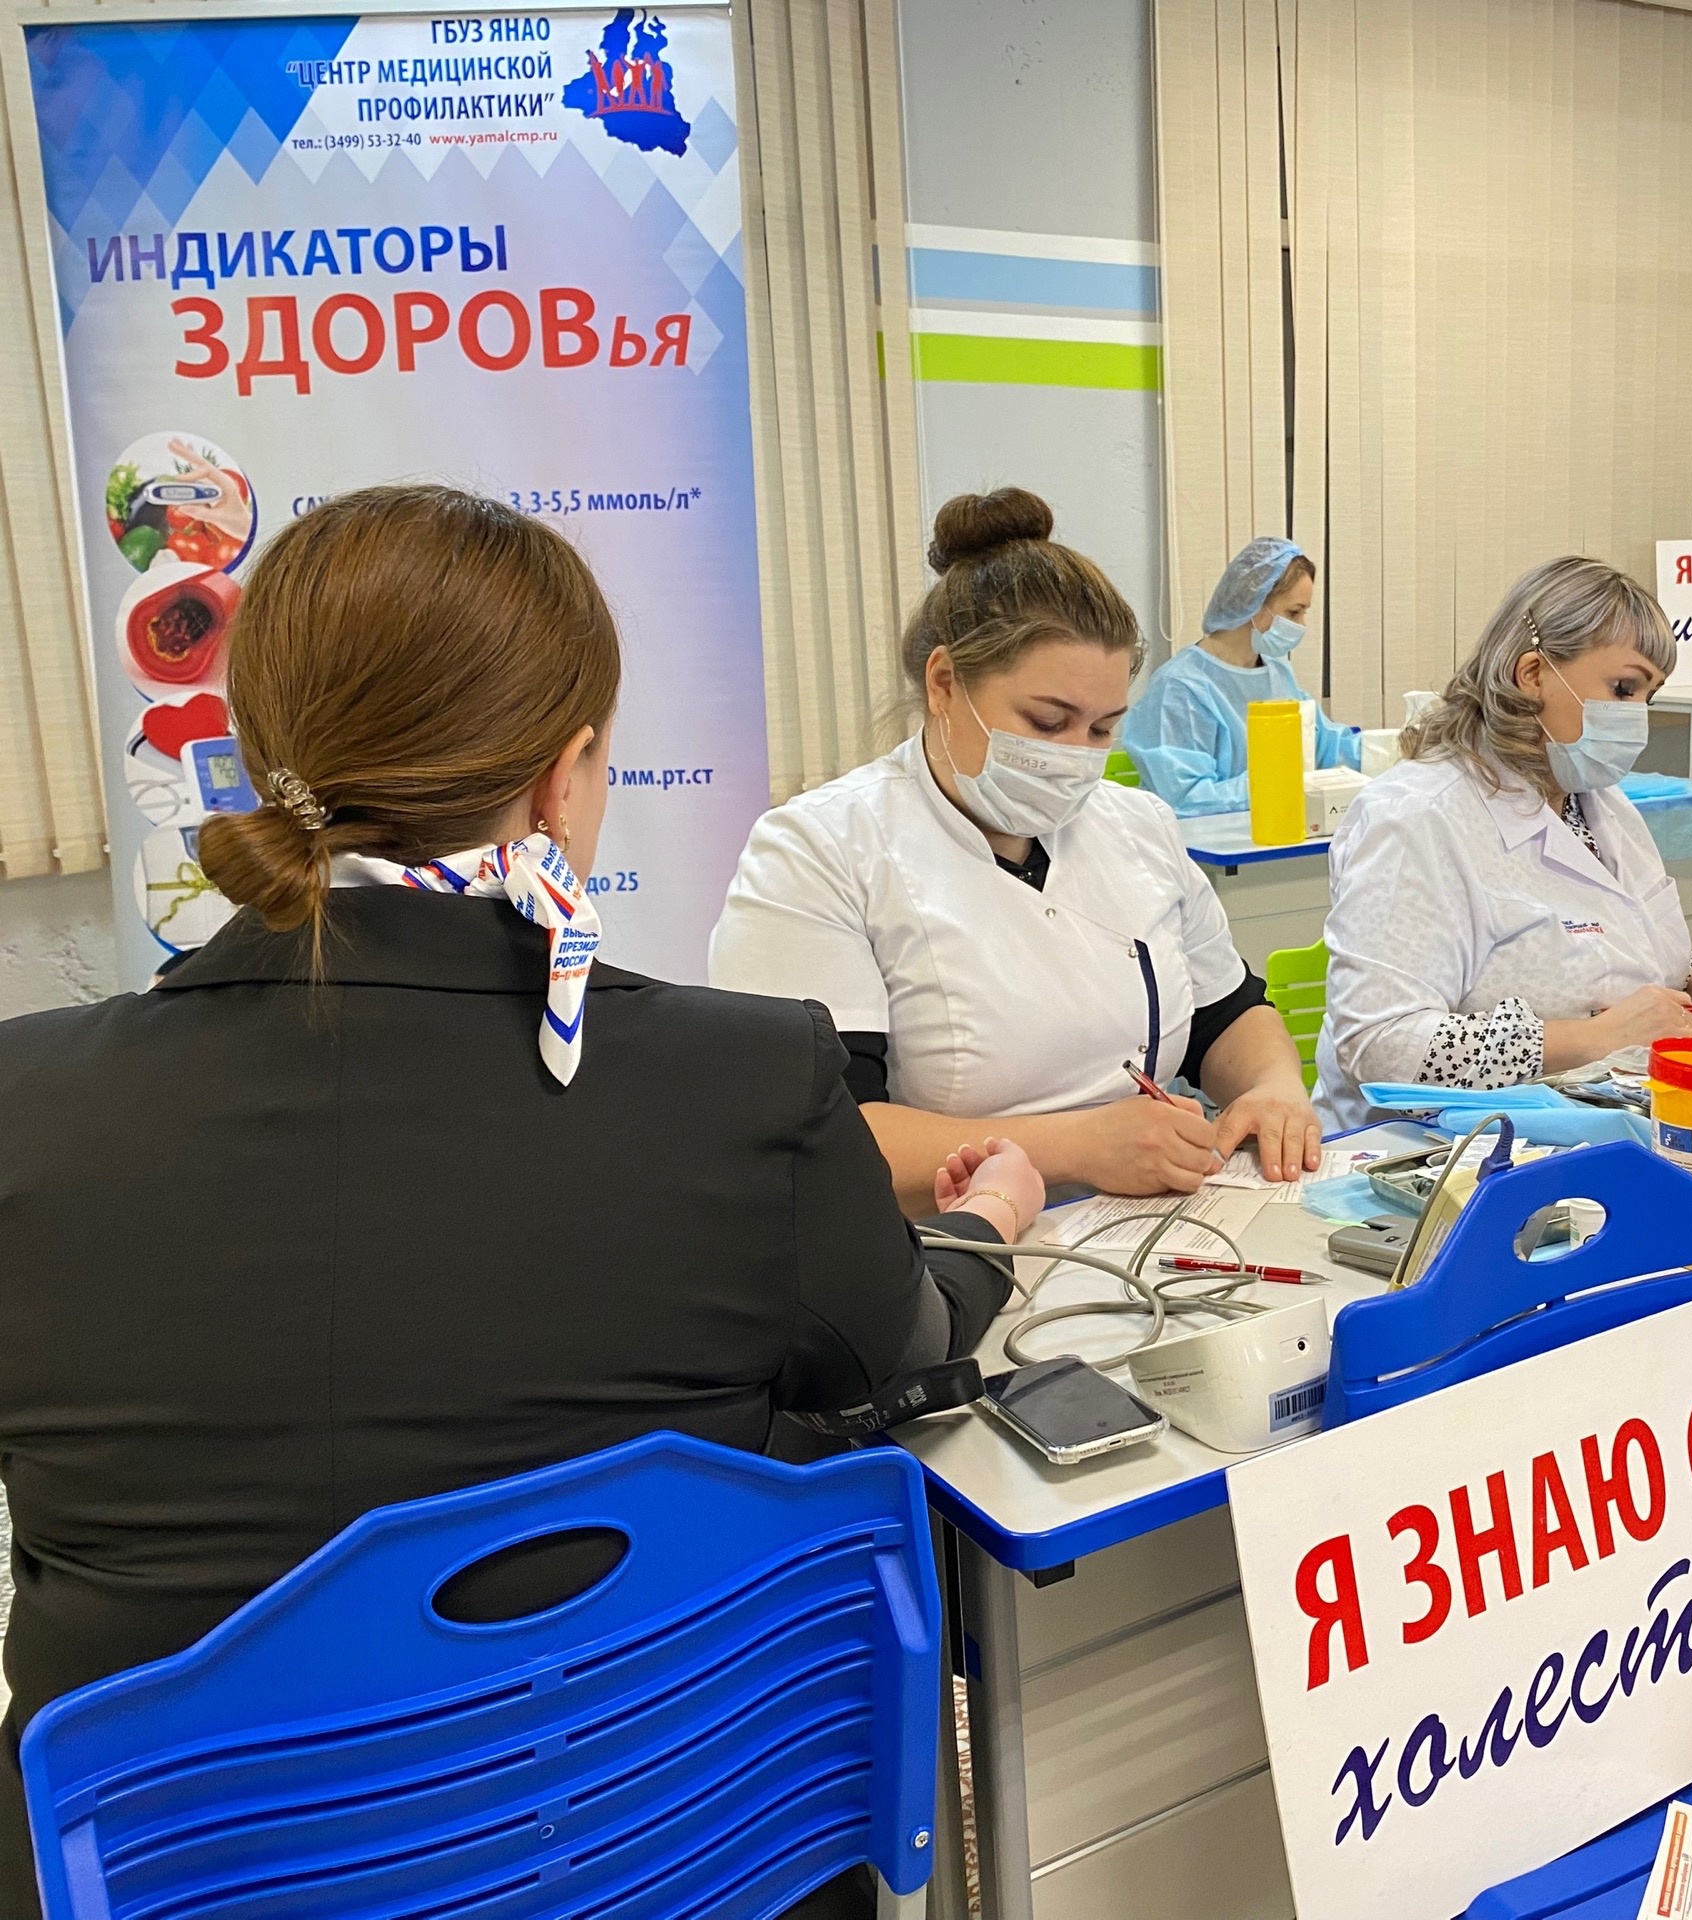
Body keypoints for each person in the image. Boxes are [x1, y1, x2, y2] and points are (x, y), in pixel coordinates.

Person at [0, 485, 1030, 1920]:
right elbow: (897, 1357)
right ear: (564, 779)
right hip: (678, 1854)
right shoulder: (742, 1079)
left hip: (191, 1878)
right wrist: (984, 1229)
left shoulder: (28, 1108)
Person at [711, 489, 1322, 1206]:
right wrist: (1079, 1146)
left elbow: (1228, 1012)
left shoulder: (1138, 827)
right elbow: (825, 1135)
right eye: (1048, 722)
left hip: (1146, 1223)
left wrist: (1273, 1087)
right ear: (945, 683)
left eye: (1102, 729)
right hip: (945, 1241)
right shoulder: (818, 850)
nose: (1077, 755)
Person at [1316, 555, 1692, 1129]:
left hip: (1593, 1115)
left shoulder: (1596, 802)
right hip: (1435, 1146)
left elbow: (1602, 948)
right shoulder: (1415, 818)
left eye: (1648, 696)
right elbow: (1380, 1046)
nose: (1638, 717)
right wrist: (1594, 1038)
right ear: (1532, 674)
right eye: (1624, 688)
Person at [1121, 535, 1361, 815]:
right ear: (1253, 603)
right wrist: (1272, 784)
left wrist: (1392, 750)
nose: (1302, 625)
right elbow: (1185, 798)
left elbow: (1326, 745)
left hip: (1270, 831)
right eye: (1294, 612)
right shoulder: (1181, 686)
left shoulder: (1276, 673)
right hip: (1202, 839)